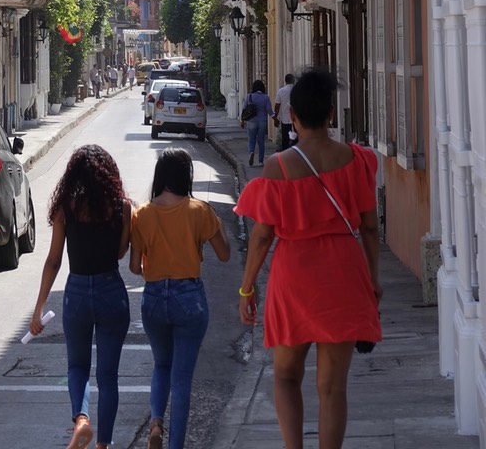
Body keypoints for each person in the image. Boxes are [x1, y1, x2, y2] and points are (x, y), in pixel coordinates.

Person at [234, 68, 382, 449]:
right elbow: (369, 228)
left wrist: (247, 288)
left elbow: (263, 235)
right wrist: (374, 280)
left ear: (293, 117)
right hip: (345, 274)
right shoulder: (357, 160)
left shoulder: (277, 169)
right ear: (331, 114)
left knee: (285, 376)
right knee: (332, 388)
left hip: (294, 276)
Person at [29, 145, 132, 449]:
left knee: (77, 367)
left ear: (73, 175)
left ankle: (82, 420)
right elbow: (121, 252)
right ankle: (104, 445)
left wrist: (39, 308)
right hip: (111, 290)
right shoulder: (122, 206)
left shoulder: (66, 208)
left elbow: (53, 260)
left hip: (76, 293)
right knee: (109, 375)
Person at [129, 148, 231, 449]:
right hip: (190, 299)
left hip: (154, 299)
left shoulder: (143, 214)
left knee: (161, 365)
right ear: (186, 176)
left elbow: (135, 267)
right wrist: (217, 226)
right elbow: (225, 254)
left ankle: (157, 422)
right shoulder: (199, 210)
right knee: (182, 379)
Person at [241, 79, 276, 167]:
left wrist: (242, 121)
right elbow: (269, 110)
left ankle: (251, 152)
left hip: (251, 121)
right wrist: (275, 118)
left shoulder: (249, 96)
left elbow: (244, 109)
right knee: (261, 141)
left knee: (251, 139)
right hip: (262, 121)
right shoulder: (266, 97)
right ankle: (260, 161)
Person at [274, 73, 296, 151]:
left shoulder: (281, 91)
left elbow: (277, 105)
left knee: (285, 139)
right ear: (293, 81)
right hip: (296, 119)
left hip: (285, 118)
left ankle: (286, 153)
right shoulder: (297, 90)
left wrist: (275, 118)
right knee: (297, 138)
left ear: (285, 81)